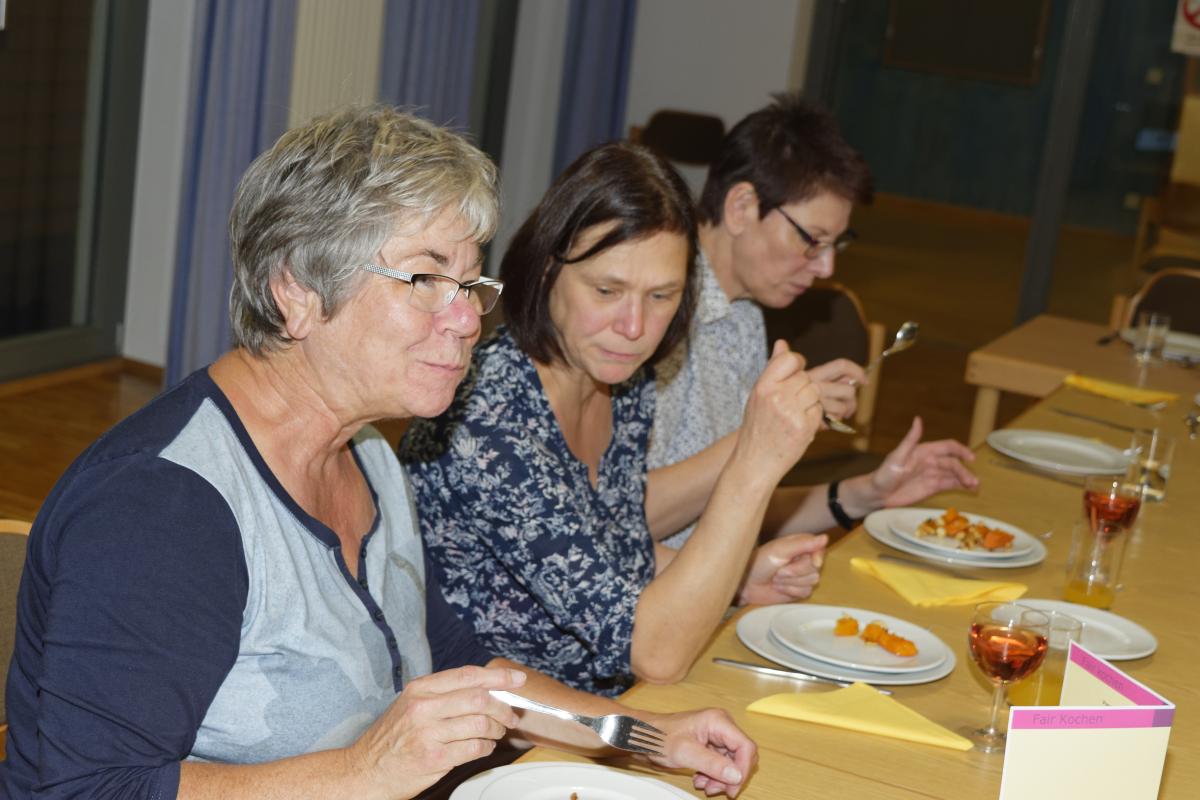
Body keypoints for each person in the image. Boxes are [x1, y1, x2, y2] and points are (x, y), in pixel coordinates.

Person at [0, 107, 756, 800]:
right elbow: (86, 789)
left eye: (470, 282)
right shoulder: (162, 505)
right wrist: (363, 773)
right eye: (425, 278)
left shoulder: (369, 456)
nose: (467, 318)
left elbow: (465, 669)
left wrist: (642, 735)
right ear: (297, 292)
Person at [400, 142, 827, 699]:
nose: (634, 327)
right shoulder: (485, 422)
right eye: (607, 290)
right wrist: (755, 459)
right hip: (509, 731)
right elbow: (655, 651)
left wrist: (740, 575)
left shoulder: (620, 379)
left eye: (662, 296)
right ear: (547, 270)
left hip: (614, 703)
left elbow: (608, 550)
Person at [648, 93, 979, 549]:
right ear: (741, 208)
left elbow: (731, 511)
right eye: (812, 240)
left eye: (835, 245)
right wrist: (766, 432)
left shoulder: (743, 312)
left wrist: (868, 493)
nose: (826, 269)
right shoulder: (653, 313)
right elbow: (617, 528)